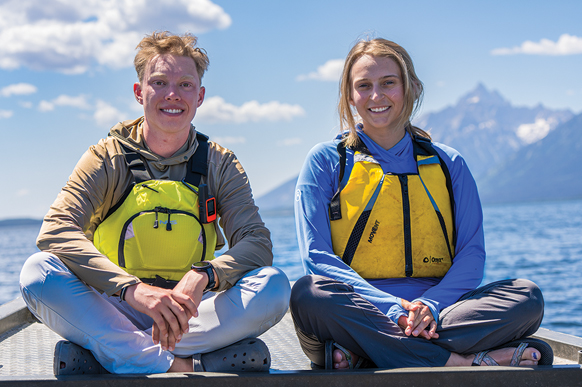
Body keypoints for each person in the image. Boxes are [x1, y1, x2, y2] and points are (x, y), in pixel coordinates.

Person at [19, 31, 290, 375]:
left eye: (185, 84)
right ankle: (182, 365)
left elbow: (256, 242)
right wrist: (133, 290)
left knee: (274, 286)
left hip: (191, 311)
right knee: (37, 273)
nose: (172, 95)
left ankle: (116, 349)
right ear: (139, 92)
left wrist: (205, 275)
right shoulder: (105, 158)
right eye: (159, 82)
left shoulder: (220, 163)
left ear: (201, 95)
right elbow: (56, 231)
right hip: (118, 306)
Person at [290, 38, 552, 370]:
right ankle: (465, 362)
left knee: (527, 297)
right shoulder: (326, 161)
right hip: (362, 309)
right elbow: (317, 258)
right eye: (364, 86)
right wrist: (393, 310)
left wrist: (429, 305)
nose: (376, 95)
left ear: (411, 87)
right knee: (308, 294)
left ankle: (368, 353)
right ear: (349, 96)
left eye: (388, 83)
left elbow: (472, 256)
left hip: (440, 313)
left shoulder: (449, 164)